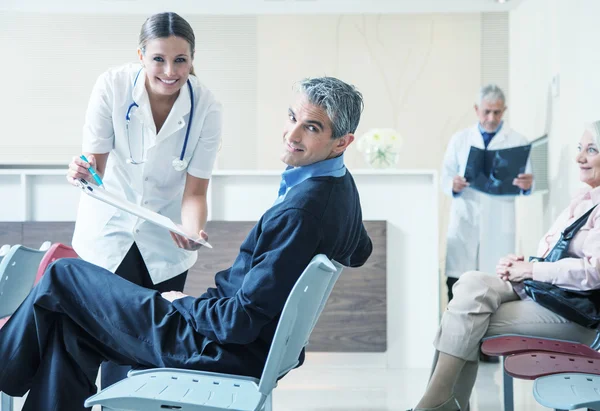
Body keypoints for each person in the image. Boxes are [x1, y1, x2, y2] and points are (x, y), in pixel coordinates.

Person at [0, 76, 373, 411]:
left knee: (65, 275)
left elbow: (239, 322)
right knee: (72, 329)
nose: (292, 135)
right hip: (233, 342)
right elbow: (360, 249)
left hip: (215, 347)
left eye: (311, 128)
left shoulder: (302, 212)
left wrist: (184, 304)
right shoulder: (339, 188)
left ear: (342, 142)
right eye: (293, 118)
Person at [65, 12, 222, 388]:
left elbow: (196, 191)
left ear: (192, 59)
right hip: (109, 234)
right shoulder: (113, 86)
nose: (170, 70)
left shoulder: (207, 108)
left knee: (150, 354)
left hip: (164, 242)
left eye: (180, 60)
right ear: (141, 55)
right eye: (158, 59)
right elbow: (96, 164)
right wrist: (82, 169)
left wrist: (191, 228)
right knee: (98, 345)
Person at [411, 123, 600, 411]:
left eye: (591, 150)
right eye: (579, 149)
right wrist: (525, 262)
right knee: (471, 283)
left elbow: (593, 273)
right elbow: (557, 256)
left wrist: (531, 271)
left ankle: (434, 404)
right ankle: (440, 403)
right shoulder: (584, 200)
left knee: (464, 315)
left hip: (574, 314)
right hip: (550, 294)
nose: (579, 158)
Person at [442, 84, 534, 302]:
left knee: (495, 288)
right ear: (477, 109)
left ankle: (492, 336)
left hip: (499, 221)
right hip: (466, 218)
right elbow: (445, 176)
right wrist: (452, 184)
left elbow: (528, 180)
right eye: (487, 111)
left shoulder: (518, 141)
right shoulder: (460, 139)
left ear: (504, 110)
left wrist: (527, 184)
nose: (492, 118)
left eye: (497, 112)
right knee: (458, 286)